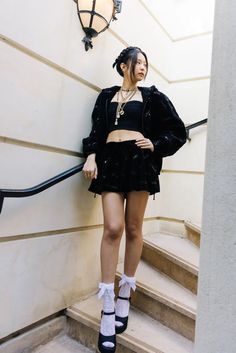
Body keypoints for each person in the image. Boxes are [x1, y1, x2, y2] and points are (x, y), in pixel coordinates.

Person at [82, 46, 186, 353]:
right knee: (112, 229)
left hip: (139, 161)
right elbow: (97, 131)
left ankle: (126, 291)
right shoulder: (105, 97)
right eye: (137, 63)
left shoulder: (153, 97)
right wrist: (91, 156)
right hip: (110, 162)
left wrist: (155, 143)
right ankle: (109, 305)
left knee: (134, 229)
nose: (142, 68)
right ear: (124, 65)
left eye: (145, 64)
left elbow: (177, 131)